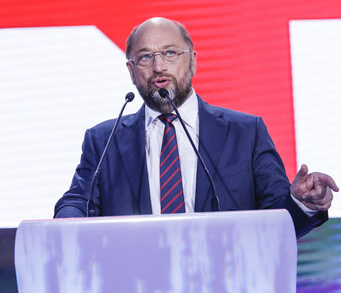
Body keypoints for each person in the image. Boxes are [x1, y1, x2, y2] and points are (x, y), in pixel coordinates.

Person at [54, 17, 338, 238]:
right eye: (144, 57)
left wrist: (302, 202)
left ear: (192, 61)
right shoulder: (104, 140)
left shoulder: (246, 132)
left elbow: (278, 220)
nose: (158, 66)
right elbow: (76, 203)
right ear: (130, 70)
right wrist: (65, 227)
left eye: (170, 53)